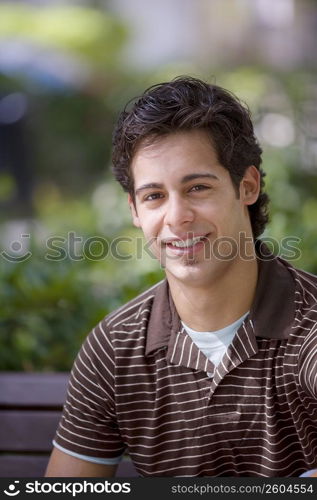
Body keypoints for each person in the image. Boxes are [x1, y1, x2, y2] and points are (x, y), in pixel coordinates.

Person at [45, 76, 317, 477]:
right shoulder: (116, 347)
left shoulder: (309, 328)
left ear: (247, 186)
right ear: (135, 211)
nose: (176, 218)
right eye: (154, 196)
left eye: (198, 188)